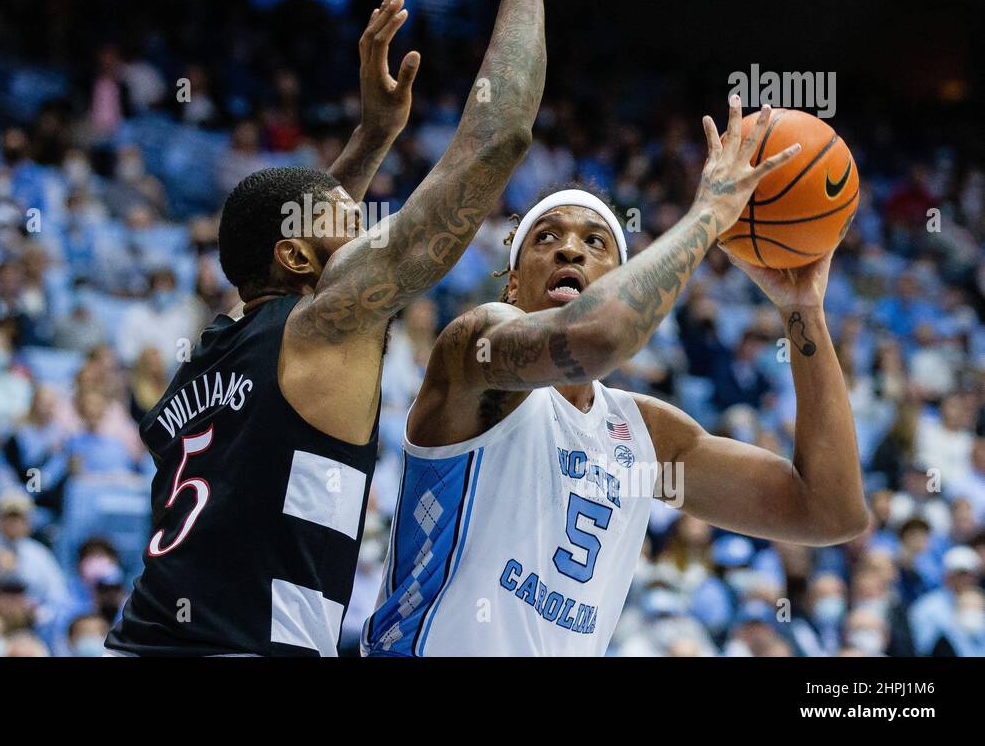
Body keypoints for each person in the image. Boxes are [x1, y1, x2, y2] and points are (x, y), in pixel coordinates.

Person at [109, 0, 555, 657]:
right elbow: (499, 140)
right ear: (301, 258)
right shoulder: (323, 329)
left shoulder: (208, 360)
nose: (362, 219)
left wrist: (374, 135)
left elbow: (287, 255)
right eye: (342, 217)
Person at [362, 119, 867, 655]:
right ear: (512, 281)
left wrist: (802, 310)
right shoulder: (474, 353)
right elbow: (598, 338)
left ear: (621, 277)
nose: (570, 251)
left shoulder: (647, 438)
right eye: (547, 237)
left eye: (595, 242)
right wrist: (709, 213)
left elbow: (828, 511)